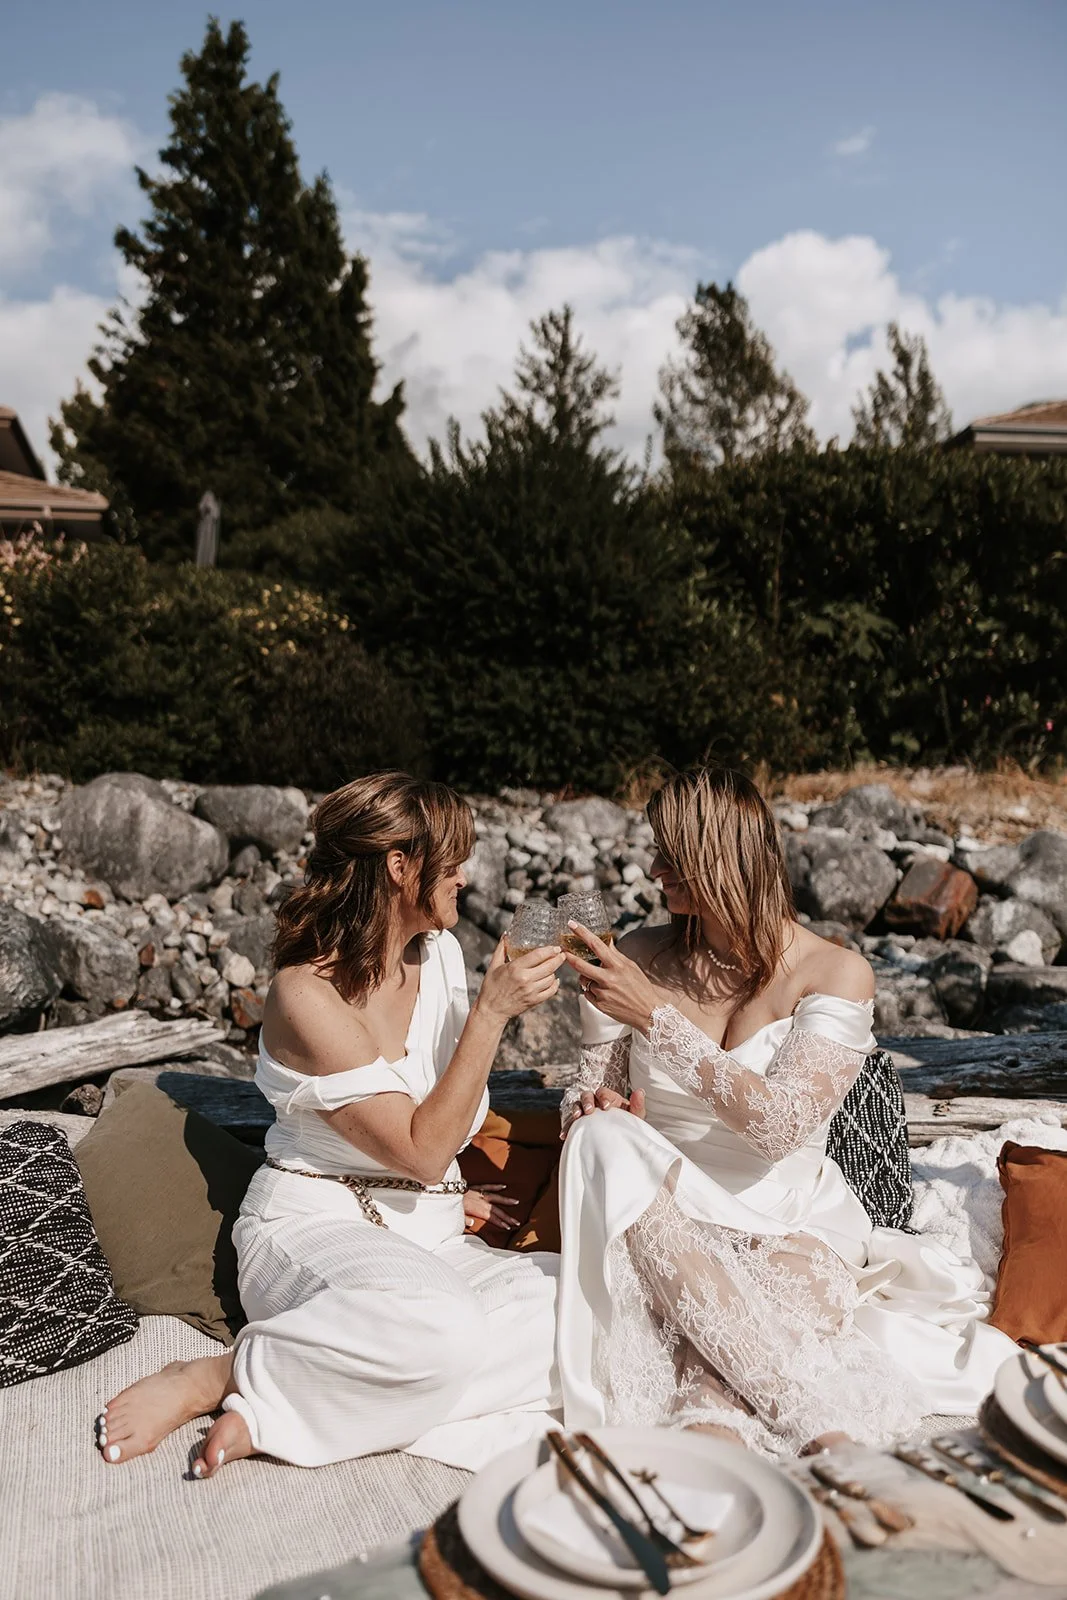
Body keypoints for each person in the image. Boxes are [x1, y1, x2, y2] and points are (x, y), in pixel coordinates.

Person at [94, 773, 564, 1477]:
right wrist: (492, 1014)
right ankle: (224, 1375)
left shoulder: (439, 957)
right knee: (443, 1326)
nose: (465, 877)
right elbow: (420, 1150)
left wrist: (442, 1194)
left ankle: (333, 1390)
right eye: (453, 859)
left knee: (582, 1304)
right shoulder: (303, 993)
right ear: (400, 866)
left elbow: (434, 1129)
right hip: (315, 1227)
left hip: (428, 1238)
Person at [556, 767, 1016, 1458]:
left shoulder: (834, 972)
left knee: (707, 1348)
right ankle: (814, 1428)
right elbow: (584, 1099)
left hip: (789, 1226)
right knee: (600, 1137)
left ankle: (710, 1460)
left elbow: (780, 1127)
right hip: (663, 1214)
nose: (652, 872)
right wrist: (595, 1106)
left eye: (670, 856)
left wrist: (656, 1018)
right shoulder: (636, 956)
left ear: (720, 859)